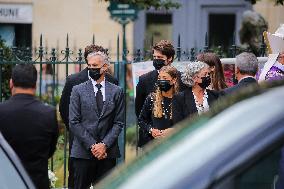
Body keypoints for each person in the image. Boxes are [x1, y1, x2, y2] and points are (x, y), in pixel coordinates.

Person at [59, 44, 118, 188]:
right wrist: (82, 136)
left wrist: (103, 144)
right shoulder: (73, 81)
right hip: (80, 146)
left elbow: (115, 118)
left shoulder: (112, 82)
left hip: (106, 149)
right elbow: (65, 111)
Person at [0, 64, 59, 189]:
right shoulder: (48, 114)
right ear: (35, 85)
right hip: (36, 182)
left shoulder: (1, 111)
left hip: (5, 182)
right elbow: (50, 150)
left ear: (11, 83)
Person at [135, 40, 187, 147]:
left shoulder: (182, 80)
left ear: (170, 58)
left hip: (176, 140)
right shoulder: (144, 80)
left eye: (160, 58)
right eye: (154, 57)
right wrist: (151, 130)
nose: (156, 60)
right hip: (150, 141)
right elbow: (139, 111)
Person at [138, 66, 179, 147]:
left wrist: (174, 130)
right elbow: (141, 120)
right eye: (159, 78)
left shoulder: (180, 99)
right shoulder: (152, 98)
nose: (161, 80)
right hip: (155, 145)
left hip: (174, 144)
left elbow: (187, 121)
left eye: (164, 77)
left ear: (173, 80)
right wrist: (151, 130)